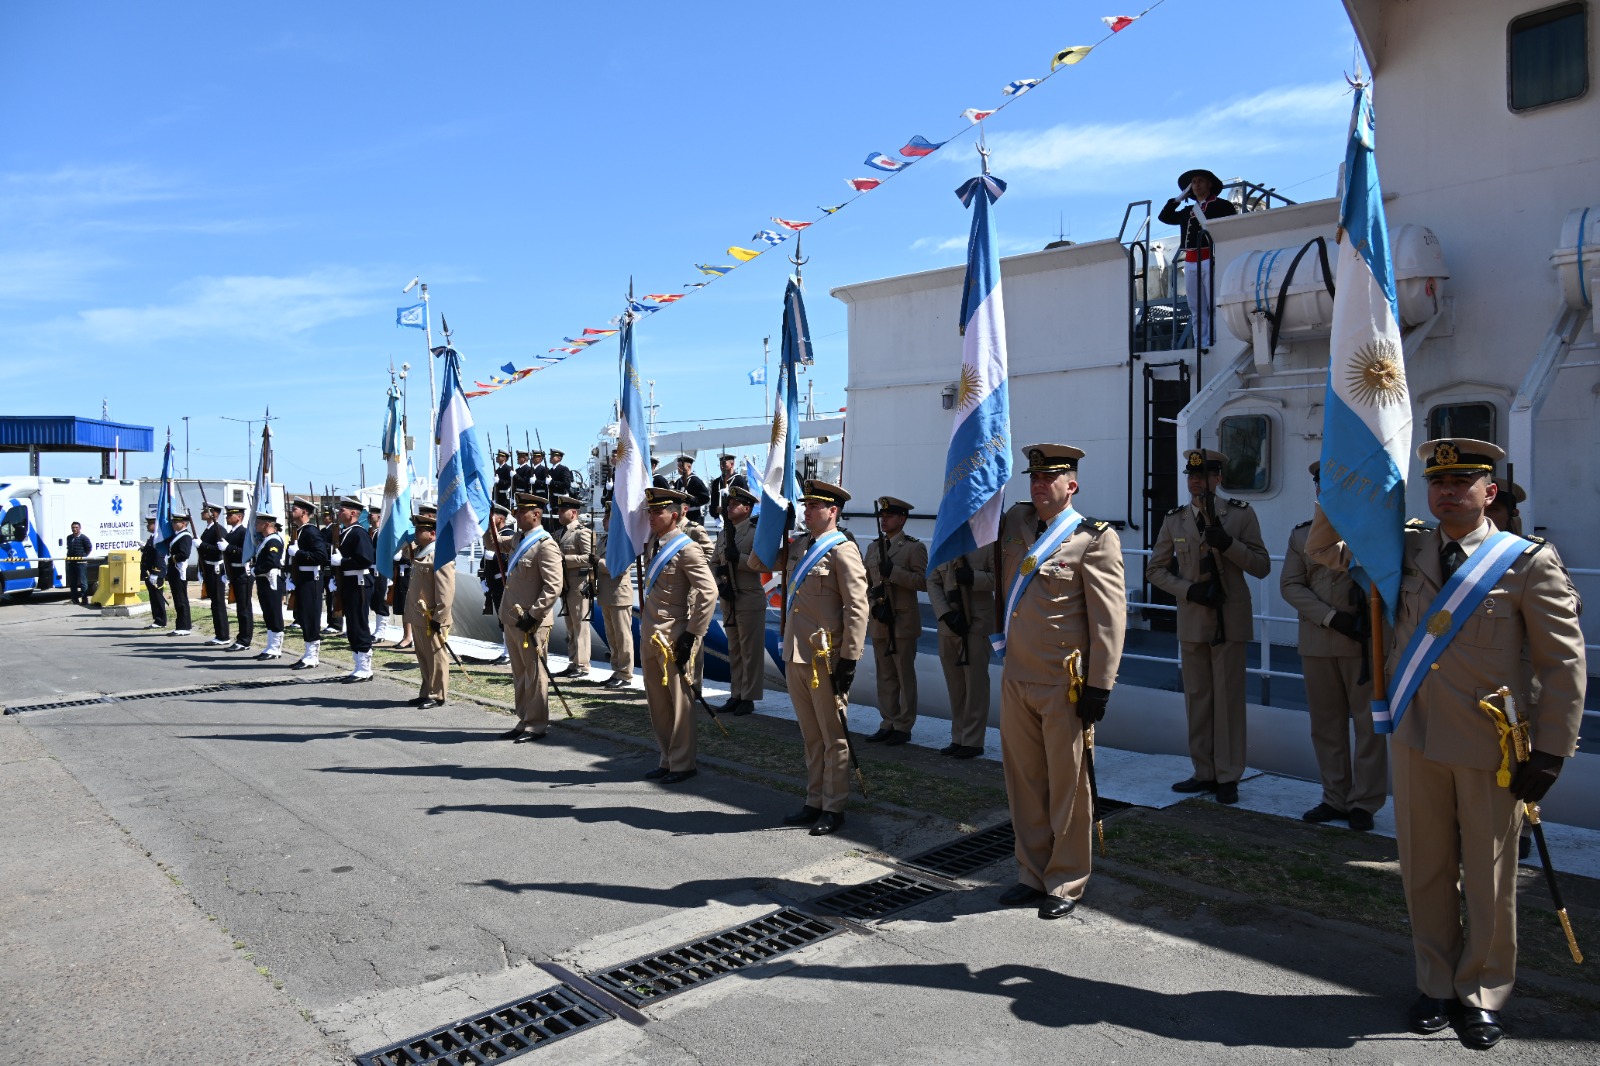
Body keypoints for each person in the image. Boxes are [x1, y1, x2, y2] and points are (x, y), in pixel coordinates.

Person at [1309, 439, 1586, 1050]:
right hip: (1416, 739)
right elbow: (1322, 551)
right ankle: (1435, 981)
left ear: (1491, 493)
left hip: (1491, 746)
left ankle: (1482, 993)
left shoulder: (1527, 562)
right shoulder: (1402, 548)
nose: (1448, 491)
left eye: (1464, 481)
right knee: (1425, 870)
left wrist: (1551, 750)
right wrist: (1342, 484)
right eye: (1438, 482)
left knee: (1489, 879)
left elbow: (1562, 664)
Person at [992, 444, 1126, 920]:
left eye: (1050, 477)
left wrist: (1100, 686)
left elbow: (1109, 620)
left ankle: (1065, 880)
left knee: (1068, 785)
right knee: (1024, 781)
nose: (1038, 484)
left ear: (1072, 484)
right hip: (1018, 679)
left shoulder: (1094, 538)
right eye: (1033, 476)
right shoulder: (1016, 527)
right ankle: (1031, 873)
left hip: (1064, 683)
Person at [1146, 448, 1271, 804]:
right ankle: (1204, 772)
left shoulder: (1240, 516)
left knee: (1229, 700)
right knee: (1198, 700)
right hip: (1194, 619)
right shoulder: (1175, 520)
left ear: (1218, 479)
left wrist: (1229, 545)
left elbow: (1262, 566)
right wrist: (1190, 590)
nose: (1196, 481)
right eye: (1192, 475)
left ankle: (1229, 775)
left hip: (1229, 620)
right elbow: (1155, 570)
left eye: (1204, 475)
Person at [1280, 462, 1385, 831]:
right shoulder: (1302, 535)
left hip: (1366, 643)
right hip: (1320, 641)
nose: (1325, 489)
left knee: (1369, 727)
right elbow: (1290, 585)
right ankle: (1334, 797)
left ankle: (1365, 802)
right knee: (1327, 726)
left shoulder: (1378, 530)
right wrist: (1331, 617)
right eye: (1321, 483)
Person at [766, 479, 868, 836]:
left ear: (832, 511)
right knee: (811, 736)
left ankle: (834, 805)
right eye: (805, 506)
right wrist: (770, 525)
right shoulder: (798, 547)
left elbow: (857, 607)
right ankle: (814, 800)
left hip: (826, 658)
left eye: (813, 506)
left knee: (833, 736)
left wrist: (849, 660)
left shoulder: (843, 550)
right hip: (796, 654)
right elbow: (756, 561)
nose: (806, 511)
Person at [639, 487, 718, 784]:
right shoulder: (653, 546)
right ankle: (667, 757)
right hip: (650, 633)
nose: (651, 516)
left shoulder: (687, 548)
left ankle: (683, 763)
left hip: (675, 634)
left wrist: (691, 635)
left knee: (680, 702)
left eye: (657, 511)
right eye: (650, 511)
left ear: (674, 515)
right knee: (658, 701)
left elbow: (709, 593)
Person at [862, 496, 928, 745]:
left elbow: (922, 582)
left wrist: (896, 573)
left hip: (902, 619)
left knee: (904, 674)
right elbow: (867, 583)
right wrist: (872, 605)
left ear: (902, 519)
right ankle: (887, 721)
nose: (884, 520)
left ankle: (903, 725)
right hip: (881, 618)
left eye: (889, 516)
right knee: (885, 674)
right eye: (882, 516)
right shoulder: (872, 548)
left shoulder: (914, 547)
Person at [498, 494, 563, 742]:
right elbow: (492, 543)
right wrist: (489, 525)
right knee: (519, 673)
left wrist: (534, 614)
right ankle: (523, 719)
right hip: (513, 618)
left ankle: (536, 724)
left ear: (536, 514)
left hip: (532, 622)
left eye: (521, 512)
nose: (515, 516)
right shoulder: (517, 538)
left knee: (535, 674)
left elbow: (553, 586)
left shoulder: (545, 544)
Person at [1157, 167, 1237, 350]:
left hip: (1212, 258)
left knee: (1215, 303)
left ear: (1209, 184)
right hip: (1191, 261)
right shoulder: (1187, 211)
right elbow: (1164, 217)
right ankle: (1202, 343)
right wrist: (1178, 198)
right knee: (1196, 307)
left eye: (1200, 181)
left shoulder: (1222, 206)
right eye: (1193, 182)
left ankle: (1218, 341)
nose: (1196, 185)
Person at [928, 546, 995, 758]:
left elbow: (1000, 579)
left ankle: (973, 740)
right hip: (949, 624)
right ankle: (958, 736)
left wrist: (973, 577)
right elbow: (932, 580)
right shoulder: (943, 544)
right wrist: (945, 614)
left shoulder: (987, 546)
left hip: (976, 623)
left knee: (975, 684)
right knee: (955, 684)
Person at [713, 486, 765, 715]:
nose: (730, 507)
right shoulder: (724, 533)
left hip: (748, 595)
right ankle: (736, 693)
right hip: (728, 596)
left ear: (748, 508)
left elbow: (765, 563)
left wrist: (740, 559)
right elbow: (713, 562)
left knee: (750, 650)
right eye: (729, 504)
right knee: (734, 648)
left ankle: (749, 697)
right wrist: (720, 583)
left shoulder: (756, 533)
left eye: (735, 504)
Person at [405, 515, 454, 708]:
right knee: (423, 656)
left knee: (436, 656)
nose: (415, 534)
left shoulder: (440, 555)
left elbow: (446, 590)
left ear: (432, 533)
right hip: (419, 615)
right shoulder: (420, 551)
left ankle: (438, 694)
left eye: (419, 531)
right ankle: (426, 691)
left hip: (432, 616)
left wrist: (439, 617)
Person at [334, 497, 378, 682]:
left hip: (359, 582)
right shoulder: (347, 532)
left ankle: (365, 668)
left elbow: (365, 559)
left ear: (353, 513)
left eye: (342, 509)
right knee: (352, 623)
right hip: (349, 582)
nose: (338, 512)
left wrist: (342, 562)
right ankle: (358, 665)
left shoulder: (358, 533)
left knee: (359, 623)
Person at [594, 506, 636, 690]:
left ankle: (625, 673)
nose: (604, 520)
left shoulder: (622, 541)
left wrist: (598, 562)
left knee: (622, 636)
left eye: (607, 517)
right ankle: (616, 670)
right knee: (612, 637)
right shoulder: (604, 540)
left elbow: (620, 568)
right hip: (606, 594)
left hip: (619, 594)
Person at [286, 498, 329, 669]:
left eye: (294, 509)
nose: (291, 511)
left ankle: (312, 656)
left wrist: (299, 553)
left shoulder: (310, 531)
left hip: (311, 579)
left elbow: (321, 556)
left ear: (304, 512)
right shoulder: (300, 531)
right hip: (302, 578)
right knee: (303, 616)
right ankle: (308, 653)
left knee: (311, 616)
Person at [554, 495, 593, 679]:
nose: (559, 513)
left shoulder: (582, 532)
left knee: (580, 626)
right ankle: (573, 662)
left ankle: (583, 664)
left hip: (579, 585)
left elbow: (589, 558)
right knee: (570, 627)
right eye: (559, 510)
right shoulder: (559, 533)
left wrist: (564, 560)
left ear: (574, 512)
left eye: (563, 510)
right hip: (565, 586)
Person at [252, 510, 286, 660]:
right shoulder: (266, 540)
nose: (256, 525)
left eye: (258, 522)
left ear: (267, 524)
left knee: (274, 613)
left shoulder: (274, 541)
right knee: (268, 613)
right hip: (263, 580)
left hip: (271, 581)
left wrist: (255, 569)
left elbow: (272, 561)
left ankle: (276, 648)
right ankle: (270, 646)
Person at [197, 504, 231, 646]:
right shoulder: (208, 529)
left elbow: (218, 551)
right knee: (214, 603)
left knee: (218, 603)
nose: (202, 513)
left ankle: (223, 635)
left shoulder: (219, 530)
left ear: (214, 514)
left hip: (216, 569)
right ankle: (219, 634)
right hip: (208, 568)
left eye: (206, 511)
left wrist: (201, 545)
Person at [223, 506, 254, 652]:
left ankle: (244, 640)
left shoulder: (244, 532)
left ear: (239, 517)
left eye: (230, 515)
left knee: (244, 608)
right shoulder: (231, 533)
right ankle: (241, 638)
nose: (227, 517)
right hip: (233, 572)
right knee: (239, 607)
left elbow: (245, 552)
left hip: (242, 572)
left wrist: (228, 547)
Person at [165, 511, 194, 636]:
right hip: (174, 570)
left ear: (183, 523)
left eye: (176, 522)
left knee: (181, 598)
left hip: (179, 569)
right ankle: (181, 625)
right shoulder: (178, 535)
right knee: (177, 598)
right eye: (173, 521)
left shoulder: (185, 536)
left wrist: (171, 559)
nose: (173, 524)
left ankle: (184, 626)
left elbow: (184, 554)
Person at [140, 515, 167, 629]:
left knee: (157, 597)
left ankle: (161, 620)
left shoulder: (158, 538)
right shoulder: (152, 538)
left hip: (156, 573)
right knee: (153, 597)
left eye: (150, 523)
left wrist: (155, 573)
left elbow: (159, 556)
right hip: (149, 573)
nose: (147, 525)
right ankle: (157, 619)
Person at [672, 454, 711, 524]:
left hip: (694, 517)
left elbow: (705, 498)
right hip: (680, 517)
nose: (678, 468)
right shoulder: (678, 482)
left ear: (689, 467)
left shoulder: (695, 481)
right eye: (678, 466)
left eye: (681, 466)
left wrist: (691, 500)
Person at [707, 453, 746, 522]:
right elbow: (713, 503)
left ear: (732, 464)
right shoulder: (717, 482)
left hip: (735, 520)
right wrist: (716, 516)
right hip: (720, 520)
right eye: (721, 464)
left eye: (724, 464)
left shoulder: (739, 480)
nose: (722, 467)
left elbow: (744, 501)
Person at [368, 506, 389, 621]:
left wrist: (366, 551)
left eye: (373, 514)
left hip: (380, 569)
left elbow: (383, 550)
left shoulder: (382, 532)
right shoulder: (371, 531)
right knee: (372, 600)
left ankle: (380, 631)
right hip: (370, 568)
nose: (370, 516)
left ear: (379, 516)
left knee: (380, 599)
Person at [65, 521, 93, 605]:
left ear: (79, 528)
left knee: (83, 582)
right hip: (72, 563)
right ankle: (74, 599)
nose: (75, 529)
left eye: (76, 527)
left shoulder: (84, 538)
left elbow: (89, 547)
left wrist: (83, 556)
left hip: (81, 563)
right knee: (72, 582)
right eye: (73, 527)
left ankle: (84, 599)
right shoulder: (69, 538)